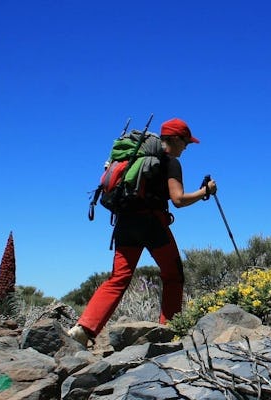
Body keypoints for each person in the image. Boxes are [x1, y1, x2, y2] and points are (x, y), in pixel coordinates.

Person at [67, 118, 217, 347]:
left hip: (125, 222)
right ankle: (171, 330)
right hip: (152, 224)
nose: (186, 147)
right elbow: (178, 200)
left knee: (118, 278)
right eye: (186, 142)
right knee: (173, 275)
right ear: (175, 139)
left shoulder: (131, 157)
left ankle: (84, 329)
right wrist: (205, 191)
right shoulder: (170, 162)